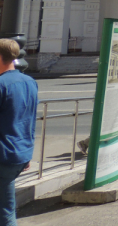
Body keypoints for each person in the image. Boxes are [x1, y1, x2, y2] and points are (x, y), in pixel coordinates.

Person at [0, 39, 38, 226]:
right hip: (20, 153)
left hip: (4, 154)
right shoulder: (29, 82)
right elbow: (28, 120)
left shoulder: (1, 84)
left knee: (5, 213)